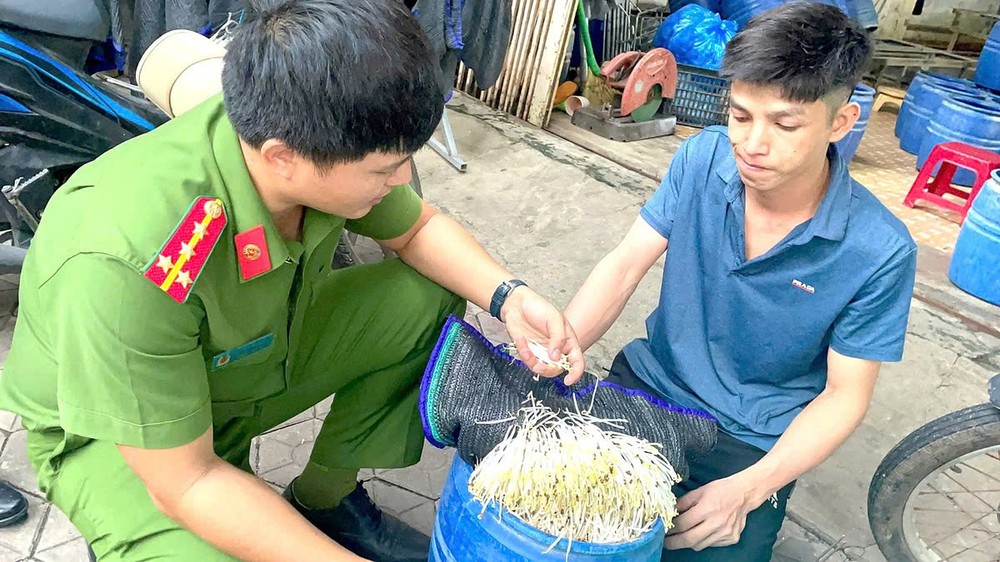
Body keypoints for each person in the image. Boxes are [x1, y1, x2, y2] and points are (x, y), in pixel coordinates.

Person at [0, 1, 584, 561]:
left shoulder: (303, 135)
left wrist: (510, 296)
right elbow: (188, 480)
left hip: (241, 364)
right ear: (284, 157)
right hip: (123, 434)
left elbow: (416, 231)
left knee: (424, 294)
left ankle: (325, 500)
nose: (402, 178)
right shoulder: (131, 260)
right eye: (384, 168)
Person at [564, 2, 917, 560]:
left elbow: (845, 394)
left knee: (712, 544)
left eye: (785, 123)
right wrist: (561, 350)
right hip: (652, 385)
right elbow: (626, 262)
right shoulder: (703, 158)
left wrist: (752, 487)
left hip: (753, 439)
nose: (752, 144)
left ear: (840, 124)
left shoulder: (878, 249)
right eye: (740, 114)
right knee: (566, 527)